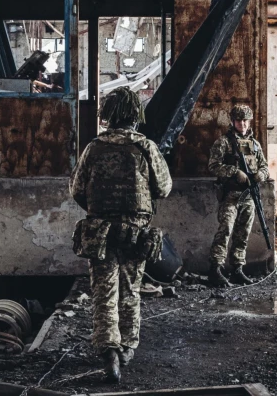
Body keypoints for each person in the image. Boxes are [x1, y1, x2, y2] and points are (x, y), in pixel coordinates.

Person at [70, 87, 172, 382]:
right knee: (130, 291)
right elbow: (163, 188)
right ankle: (127, 347)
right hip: (135, 232)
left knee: (104, 294)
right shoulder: (145, 147)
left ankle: (109, 354)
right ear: (134, 115)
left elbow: (77, 190)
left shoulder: (93, 148)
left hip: (100, 231)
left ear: (108, 115)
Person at [207, 103, 270, 287]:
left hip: (249, 196)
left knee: (243, 234)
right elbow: (213, 166)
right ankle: (215, 269)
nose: (242, 124)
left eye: (245, 121)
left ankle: (237, 269)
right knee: (225, 231)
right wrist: (234, 172)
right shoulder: (224, 142)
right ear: (233, 121)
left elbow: (264, 166)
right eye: (239, 120)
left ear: (249, 122)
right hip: (231, 196)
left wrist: (261, 175)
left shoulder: (255, 145)